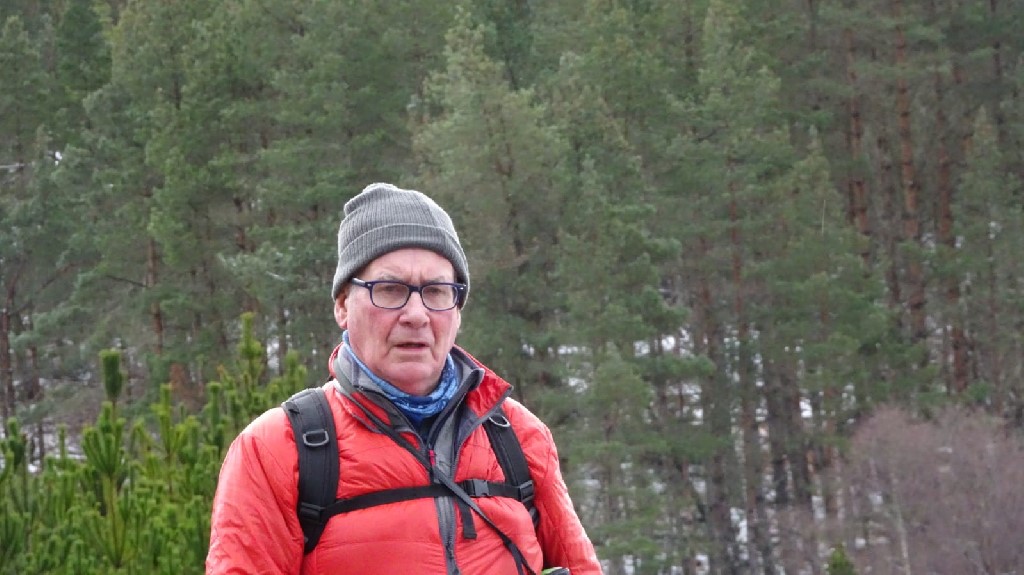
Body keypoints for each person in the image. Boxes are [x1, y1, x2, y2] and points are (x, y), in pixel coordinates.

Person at [206, 183, 602, 574]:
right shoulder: (279, 449)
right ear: (343, 305)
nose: (416, 314)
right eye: (390, 289)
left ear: (458, 310)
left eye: (437, 291)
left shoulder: (516, 434)